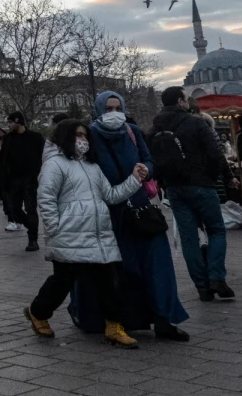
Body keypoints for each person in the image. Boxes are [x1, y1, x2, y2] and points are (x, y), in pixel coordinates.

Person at [24, 118, 149, 348]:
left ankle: (113, 326)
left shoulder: (93, 167)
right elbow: (46, 199)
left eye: (85, 136)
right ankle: (38, 312)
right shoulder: (55, 164)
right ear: (66, 138)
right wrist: (54, 230)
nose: (82, 141)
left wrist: (134, 180)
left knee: (109, 282)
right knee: (62, 282)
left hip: (98, 235)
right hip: (69, 235)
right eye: (78, 136)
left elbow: (110, 195)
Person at [76, 92, 189, 341]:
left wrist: (146, 170)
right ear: (98, 109)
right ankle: (119, 320)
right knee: (121, 270)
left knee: (157, 265)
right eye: (108, 108)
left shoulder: (132, 131)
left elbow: (148, 159)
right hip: (109, 211)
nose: (113, 113)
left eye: (117, 107)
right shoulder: (89, 135)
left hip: (139, 208)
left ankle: (164, 318)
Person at [149, 86, 234, 302]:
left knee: (189, 239)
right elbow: (215, 153)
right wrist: (210, 176)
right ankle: (216, 276)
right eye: (186, 99)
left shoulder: (155, 128)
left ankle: (202, 287)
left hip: (174, 188)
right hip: (201, 185)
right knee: (216, 231)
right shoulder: (195, 122)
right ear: (180, 101)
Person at [0, 111, 44, 251]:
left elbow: (43, 157)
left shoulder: (35, 138)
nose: (9, 125)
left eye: (10, 122)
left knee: (30, 208)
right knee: (14, 209)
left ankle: (33, 239)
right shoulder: (7, 139)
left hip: (30, 179)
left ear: (18, 122)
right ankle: (31, 226)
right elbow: (3, 159)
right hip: (13, 180)